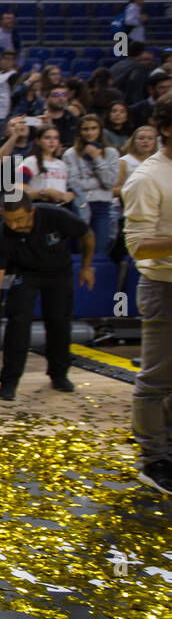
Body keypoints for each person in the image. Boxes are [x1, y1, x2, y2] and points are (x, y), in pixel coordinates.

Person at [0, 194, 94, 401]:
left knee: (59, 323)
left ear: (31, 212)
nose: (14, 225)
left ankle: (59, 375)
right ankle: (8, 383)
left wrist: (87, 268)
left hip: (59, 272)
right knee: (18, 323)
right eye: (8, 220)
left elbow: (87, 235)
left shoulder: (56, 216)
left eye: (19, 220)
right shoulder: (4, 233)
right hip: (24, 275)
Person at [123, 94, 172, 495]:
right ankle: (153, 458)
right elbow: (139, 245)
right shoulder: (146, 177)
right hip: (162, 285)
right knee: (156, 380)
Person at [64, 114, 121, 256]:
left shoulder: (111, 153)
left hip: (102, 206)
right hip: (79, 205)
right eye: (85, 129)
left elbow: (110, 182)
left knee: (99, 251)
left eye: (94, 128)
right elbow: (74, 183)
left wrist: (96, 158)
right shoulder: (70, 154)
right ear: (79, 132)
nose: (89, 132)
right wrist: (99, 181)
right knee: (78, 250)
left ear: (100, 130)